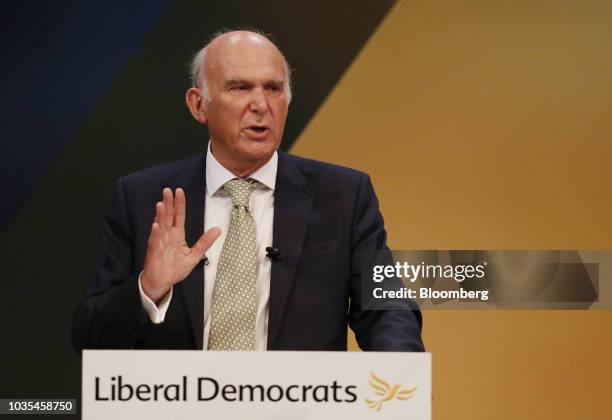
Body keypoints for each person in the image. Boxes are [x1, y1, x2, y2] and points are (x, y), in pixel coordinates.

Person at [71, 30, 424, 352]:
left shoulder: (344, 196)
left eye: (273, 88)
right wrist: (148, 289)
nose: (261, 104)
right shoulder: (143, 198)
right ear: (198, 105)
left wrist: (404, 379)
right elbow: (89, 337)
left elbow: (386, 307)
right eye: (240, 88)